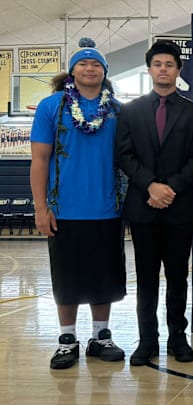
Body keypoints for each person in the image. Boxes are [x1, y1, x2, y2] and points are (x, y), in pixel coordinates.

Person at [30, 38, 125, 369]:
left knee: (104, 277)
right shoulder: (50, 107)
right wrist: (41, 208)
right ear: (71, 72)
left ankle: (101, 336)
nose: (89, 68)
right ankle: (67, 340)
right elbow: (40, 160)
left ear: (105, 72)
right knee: (67, 278)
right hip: (63, 210)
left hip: (107, 208)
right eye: (83, 64)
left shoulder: (116, 110)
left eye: (96, 64)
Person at [116, 40, 193, 366]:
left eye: (169, 64)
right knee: (145, 277)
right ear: (149, 69)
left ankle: (177, 338)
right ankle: (147, 341)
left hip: (179, 207)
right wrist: (151, 186)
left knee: (177, 278)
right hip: (143, 207)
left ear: (178, 70)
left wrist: (169, 188)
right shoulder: (129, 111)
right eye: (157, 64)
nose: (163, 70)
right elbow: (124, 156)